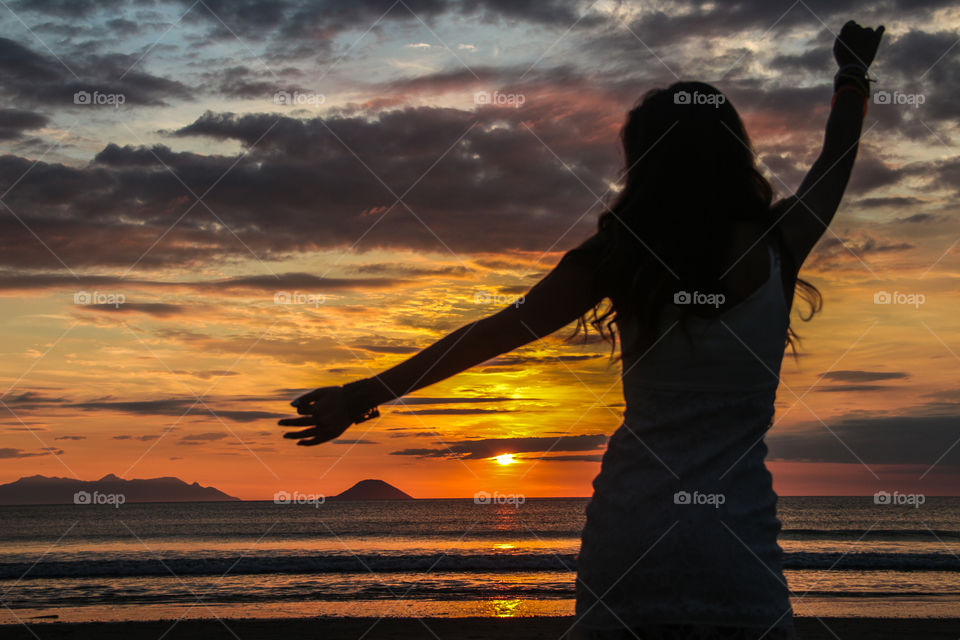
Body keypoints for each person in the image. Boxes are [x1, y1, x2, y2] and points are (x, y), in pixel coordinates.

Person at [279, 20, 884, 640]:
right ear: (736, 153)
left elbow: (492, 334)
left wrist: (362, 397)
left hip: (631, 532)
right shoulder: (782, 244)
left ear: (643, 162)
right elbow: (836, 158)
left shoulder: (618, 257)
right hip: (736, 545)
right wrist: (852, 73)